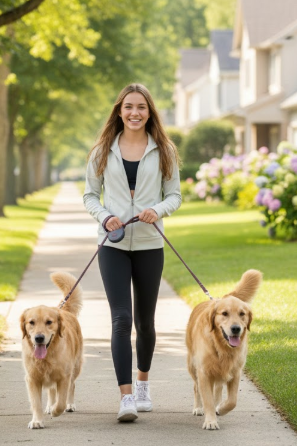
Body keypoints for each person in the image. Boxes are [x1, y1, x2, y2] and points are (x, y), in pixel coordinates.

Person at [83, 83, 182, 422]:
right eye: (128, 107)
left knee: (146, 321)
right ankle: (125, 397)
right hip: (113, 244)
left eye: (141, 107)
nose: (135, 112)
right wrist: (105, 216)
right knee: (121, 318)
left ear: (150, 112)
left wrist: (159, 209)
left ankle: (142, 384)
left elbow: (176, 195)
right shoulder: (102, 150)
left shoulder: (164, 149)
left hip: (149, 245)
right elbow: (89, 196)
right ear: (119, 111)